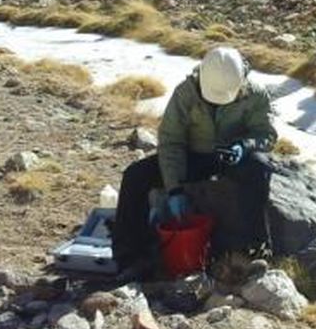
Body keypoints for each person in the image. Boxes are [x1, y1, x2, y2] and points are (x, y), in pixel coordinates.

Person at [112, 47, 278, 272]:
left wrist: (244, 146)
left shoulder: (255, 94)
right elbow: (171, 142)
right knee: (135, 176)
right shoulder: (185, 93)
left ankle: (255, 249)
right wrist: (174, 189)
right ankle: (130, 256)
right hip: (192, 157)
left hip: (232, 157)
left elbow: (265, 134)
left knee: (260, 168)